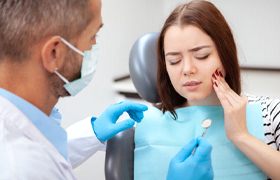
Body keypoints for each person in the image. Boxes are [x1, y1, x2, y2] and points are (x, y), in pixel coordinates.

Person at [0, 0, 211, 179]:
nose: (94, 47)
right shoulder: (20, 167)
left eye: (201, 55)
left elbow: (49, 153)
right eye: (93, 36)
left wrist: (93, 133)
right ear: (54, 53)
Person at [134, 0, 280, 180]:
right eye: (174, 61)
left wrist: (242, 136)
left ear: (225, 54)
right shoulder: (141, 125)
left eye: (202, 56)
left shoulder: (271, 113)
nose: (187, 69)